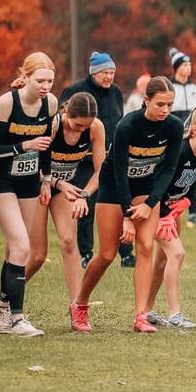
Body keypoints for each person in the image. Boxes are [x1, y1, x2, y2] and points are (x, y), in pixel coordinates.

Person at [68, 76, 183, 334]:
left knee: (145, 246)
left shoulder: (174, 127)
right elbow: (119, 172)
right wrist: (128, 217)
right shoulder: (127, 125)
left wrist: (150, 203)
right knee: (108, 254)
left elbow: (169, 170)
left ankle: (140, 316)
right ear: (146, 101)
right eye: (160, 104)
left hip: (146, 188)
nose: (165, 110)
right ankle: (80, 303)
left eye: (170, 105)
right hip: (114, 187)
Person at [24, 92, 106, 311]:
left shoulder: (95, 127)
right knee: (38, 255)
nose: (81, 130)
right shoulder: (53, 125)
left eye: (85, 127)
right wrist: (58, 183)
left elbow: (101, 171)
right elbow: (32, 165)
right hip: (38, 185)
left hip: (65, 189)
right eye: (77, 125)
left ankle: (78, 304)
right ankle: (8, 297)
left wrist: (85, 195)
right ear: (66, 112)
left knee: (70, 242)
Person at [0, 53, 58, 337]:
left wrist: (45, 180)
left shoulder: (52, 103)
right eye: (40, 80)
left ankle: (2, 312)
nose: (46, 86)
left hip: (29, 183)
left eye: (50, 80)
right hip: (2, 180)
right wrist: (24, 145)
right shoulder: (7, 103)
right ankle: (18, 318)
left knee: (16, 249)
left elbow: (45, 145)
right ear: (27, 76)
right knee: (22, 245)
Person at [145, 106, 196, 328]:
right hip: (153, 206)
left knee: (162, 260)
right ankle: (175, 314)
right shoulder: (180, 150)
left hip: (172, 208)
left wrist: (186, 201)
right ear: (194, 131)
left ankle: (145, 311)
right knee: (177, 254)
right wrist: (164, 214)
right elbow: (155, 184)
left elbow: (194, 180)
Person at [64, 52, 126, 268]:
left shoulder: (116, 92)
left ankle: (126, 252)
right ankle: (86, 252)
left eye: (112, 72)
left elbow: (120, 122)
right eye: (105, 73)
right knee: (87, 204)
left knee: (121, 202)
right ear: (94, 73)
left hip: (112, 156)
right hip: (84, 158)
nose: (109, 77)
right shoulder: (75, 91)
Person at [168, 47, 196, 223]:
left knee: (194, 172)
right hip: (175, 136)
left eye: (189, 65)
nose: (188, 68)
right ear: (176, 68)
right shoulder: (169, 88)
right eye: (184, 65)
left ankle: (194, 212)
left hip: (193, 137)